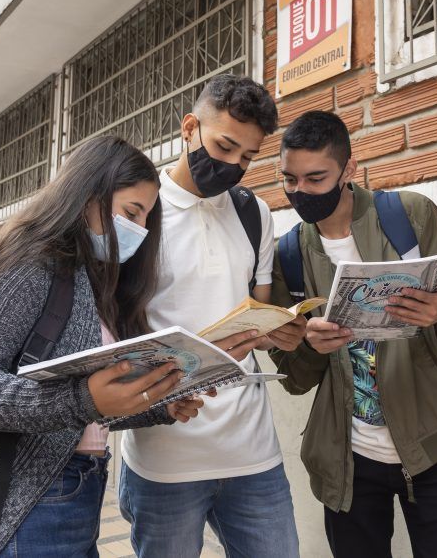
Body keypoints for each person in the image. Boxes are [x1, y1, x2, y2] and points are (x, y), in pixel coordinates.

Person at [0, 136, 207, 558]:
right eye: (131, 212)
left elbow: (76, 414)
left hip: (80, 489)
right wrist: (83, 398)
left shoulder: (87, 277)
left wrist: (154, 405)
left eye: (146, 217)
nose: (140, 230)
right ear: (88, 196)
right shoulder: (29, 264)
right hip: (30, 504)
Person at [267, 111, 437, 558]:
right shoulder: (287, 254)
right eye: (289, 179)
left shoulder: (409, 216)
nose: (300, 192)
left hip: (436, 446)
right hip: (346, 464)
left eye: (315, 178)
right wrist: (310, 344)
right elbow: (294, 379)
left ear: (348, 169)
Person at [119, 74, 306, 558]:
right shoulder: (141, 212)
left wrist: (281, 332)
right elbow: (114, 330)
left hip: (252, 451)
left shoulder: (253, 212)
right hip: (166, 452)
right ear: (188, 128)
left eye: (247, 156)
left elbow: (258, 315)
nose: (233, 165)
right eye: (224, 146)